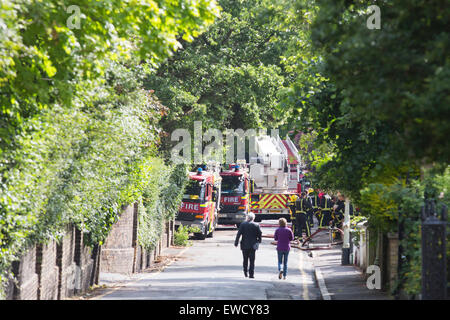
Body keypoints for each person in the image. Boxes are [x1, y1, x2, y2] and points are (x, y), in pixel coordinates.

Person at [234, 212, 262, 278]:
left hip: (244, 244)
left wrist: (236, 242)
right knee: (252, 260)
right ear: (253, 218)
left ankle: (245, 272)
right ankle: (251, 274)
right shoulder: (256, 225)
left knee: (245, 259)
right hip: (253, 245)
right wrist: (259, 241)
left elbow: (239, 234)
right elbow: (259, 234)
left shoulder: (243, 224)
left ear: (248, 217)